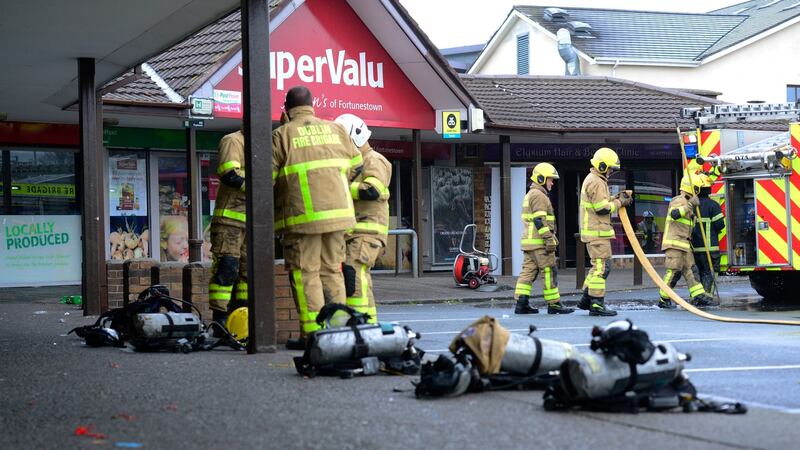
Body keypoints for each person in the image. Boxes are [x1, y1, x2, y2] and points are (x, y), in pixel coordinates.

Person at [273, 86, 363, 347]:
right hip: (339, 218)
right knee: (332, 272)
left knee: (305, 274)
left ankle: (312, 335)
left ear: (286, 108)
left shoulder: (282, 134)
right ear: (312, 104)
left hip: (302, 221)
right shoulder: (337, 130)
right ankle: (340, 333)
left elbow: (264, 180)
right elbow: (357, 166)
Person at [335, 114, 391, 324]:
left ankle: (359, 322)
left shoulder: (374, 160)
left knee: (354, 273)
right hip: (357, 230)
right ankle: (369, 324)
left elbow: (373, 190)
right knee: (360, 278)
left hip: (368, 231)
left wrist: (340, 188)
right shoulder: (356, 162)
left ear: (355, 137)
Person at [577, 147, 633, 316]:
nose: (610, 172)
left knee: (597, 268)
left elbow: (601, 201)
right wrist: (619, 204)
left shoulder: (595, 179)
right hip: (597, 233)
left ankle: (587, 299)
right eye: (609, 168)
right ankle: (597, 305)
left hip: (595, 232)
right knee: (602, 268)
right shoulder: (596, 181)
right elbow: (601, 209)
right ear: (602, 166)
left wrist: (615, 198)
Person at [514, 163, 574, 315]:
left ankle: (521, 303)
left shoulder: (530, 194)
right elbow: (539, 220)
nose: (552, 183)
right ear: (541, 179)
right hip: (540, 244)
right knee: (549, 272)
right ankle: (554, 304)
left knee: (527, 273)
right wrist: (549, 239)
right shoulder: (539, 195)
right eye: (550, 179)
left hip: (529, 244)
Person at [658, 172, 716, 309]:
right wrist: (690, 205)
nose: (699, 192)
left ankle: (698, 295)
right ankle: (664, 298)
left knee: (691, 270)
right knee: (673, 271)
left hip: (684, 245)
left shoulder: (689, 202)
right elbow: (675, 214)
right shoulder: (679, 200)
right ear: (692, 188)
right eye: (698, 188)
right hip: (674, 244)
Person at [208, 127, 247, 328]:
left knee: (248, 274)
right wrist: (259, 187)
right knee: (227, 267)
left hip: (253, 224)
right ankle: (220, 319)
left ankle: (241, 316)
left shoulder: (267, 146)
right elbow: (229, 175)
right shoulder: (233, 141)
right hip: (230, 221)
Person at [691, 173, 725, 296]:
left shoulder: (692, 206)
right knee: (711, 271)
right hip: (710, 248)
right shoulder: (713, 205)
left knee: (699, 272)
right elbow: (720, 224)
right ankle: (708, 295)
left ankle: (698, 295)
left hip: (695, 248)